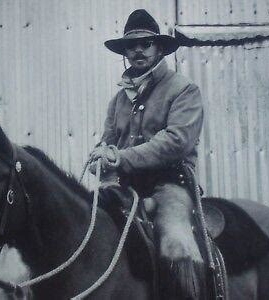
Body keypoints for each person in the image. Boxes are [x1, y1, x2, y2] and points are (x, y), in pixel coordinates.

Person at [89, 9, 205, 300]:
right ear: (125, 52)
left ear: (160, 47)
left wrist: (121, 158)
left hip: (170, 186)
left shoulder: (183, 89)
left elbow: (176, 141)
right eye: (132, 45)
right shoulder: (118, 100)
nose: (138, 50)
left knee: (176, 245)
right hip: (124, 189)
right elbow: (107, 141)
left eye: (146, 43)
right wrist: (98, 158)